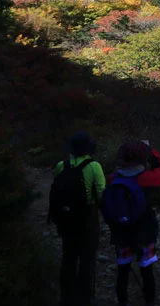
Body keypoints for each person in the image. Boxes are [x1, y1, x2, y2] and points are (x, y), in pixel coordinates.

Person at [103, 141, 160, 305]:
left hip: (121, 233)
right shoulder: (148, 179)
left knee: (123, 272)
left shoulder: (112, 179)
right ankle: (149, 301)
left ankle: (123, 302)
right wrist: (151, 150)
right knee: (147, 272)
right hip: (144, 232)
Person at [50, 130, 106, 306]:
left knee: (68, 257)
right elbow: (101, 195)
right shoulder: (94, 166)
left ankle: (66, 297)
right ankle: (85, 297)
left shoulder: (61, 165)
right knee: (87, 259)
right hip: (87, 218)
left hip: (66, 220)